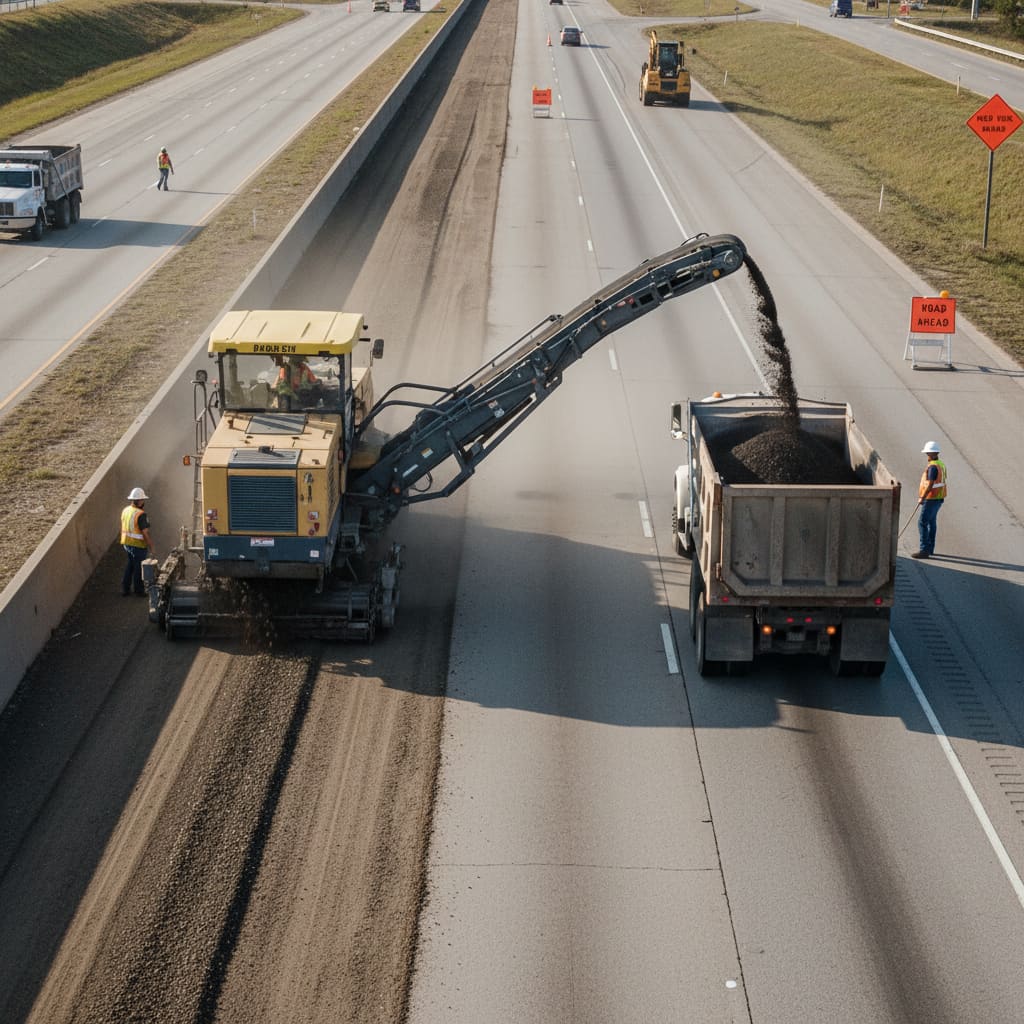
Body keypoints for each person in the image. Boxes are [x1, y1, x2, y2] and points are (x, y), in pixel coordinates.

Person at [912, 441, 947, 559]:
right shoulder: (940, 464)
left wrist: (922, 497)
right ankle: (930, 548)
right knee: (932, 522)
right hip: (938, 498)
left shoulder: (933, 467)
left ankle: (924, 550)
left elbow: (931, 483)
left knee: (922, 523)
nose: (926, 455)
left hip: (931, 498)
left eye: (927, 453)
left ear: (932, 454)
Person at [120, 486, 155, 595]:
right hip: (138, 545)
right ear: (139, 501)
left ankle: (125, 589)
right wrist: (151, 546)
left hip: (127, 543)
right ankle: (139, 591)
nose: (143, 501)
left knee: (130, 565)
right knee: (139, 568)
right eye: (142, 499)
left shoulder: (126, 510)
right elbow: (145, 532)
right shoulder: (141, 514)